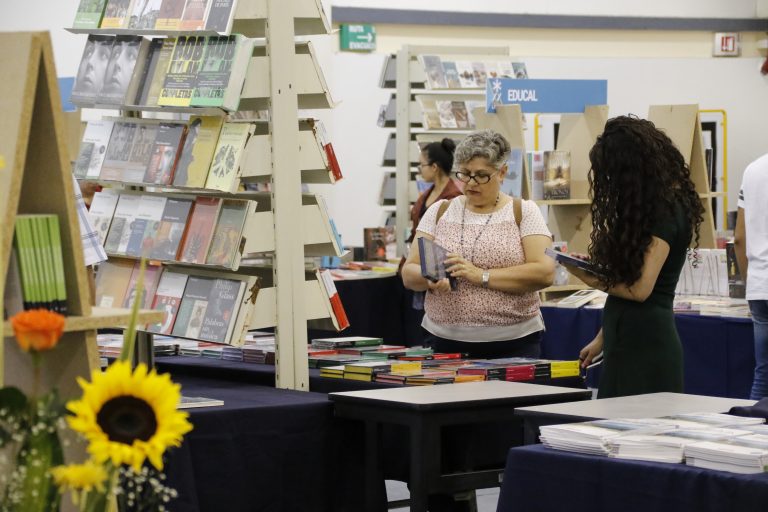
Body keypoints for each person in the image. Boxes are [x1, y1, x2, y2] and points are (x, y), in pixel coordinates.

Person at [562, 115, 704, 399]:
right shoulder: (648, 209)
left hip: (647, 345)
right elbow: (626, 285)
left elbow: (639, 290)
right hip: (625, 340)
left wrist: (587, 276)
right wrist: (603, 338)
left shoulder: (665, 211)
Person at [401, 129, 555, 359]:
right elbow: (409, 272)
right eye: (464, 174)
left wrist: (480, 275)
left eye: (482, 175)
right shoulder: (440, 210)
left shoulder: (523, 211)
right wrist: (431, 278)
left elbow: (544, 272)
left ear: (502, 172)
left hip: (513, 344)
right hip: (444, 342)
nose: (471, 183)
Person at [734, 153, 768, 400]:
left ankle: (754, 434)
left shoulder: (752, 170)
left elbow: (739, 239)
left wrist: (750, 283)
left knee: (763, 375)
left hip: (759, 286)